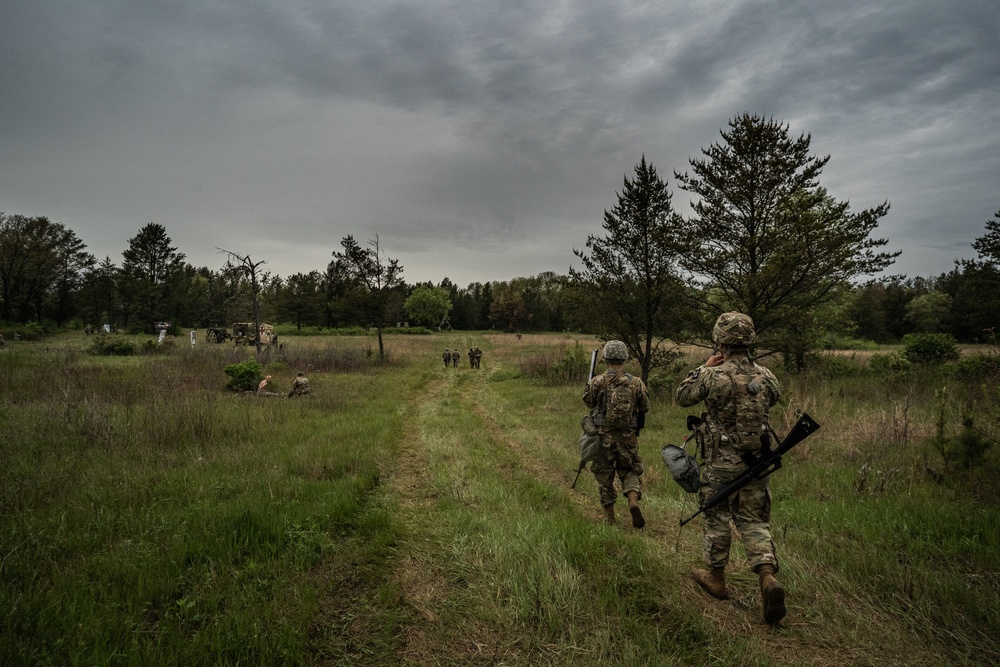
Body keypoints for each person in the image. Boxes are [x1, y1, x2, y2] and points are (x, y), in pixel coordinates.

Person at [675, 312, 785, 624]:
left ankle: (716, 579)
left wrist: (703, 368)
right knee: (753, 520)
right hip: (756, 461)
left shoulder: (713, 375)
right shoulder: (765, 376)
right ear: (750, 341)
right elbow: (774, 397)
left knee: (717, 517)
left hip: (720, 463)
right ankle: (766, 575)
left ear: (720, 341)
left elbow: (682, 396)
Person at [582, 340, 650, 528]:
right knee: (630, 469)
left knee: (604, 473)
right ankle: (633, 500)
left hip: (603, 437)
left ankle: (609, 516)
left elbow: (588, 403)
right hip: (627, 437)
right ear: (624, 358)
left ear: (605, 358)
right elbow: (645, 407)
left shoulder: (597, 381)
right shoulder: (636, 382)